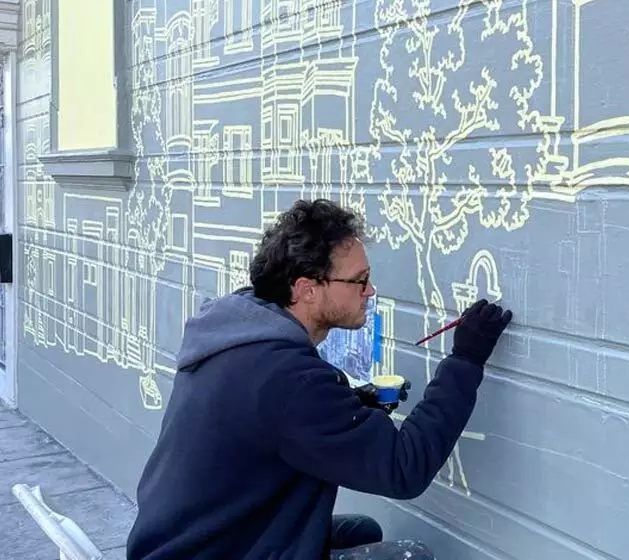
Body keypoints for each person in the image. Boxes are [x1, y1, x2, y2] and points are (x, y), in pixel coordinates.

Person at [125, 198, 513, 559]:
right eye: (359, 281)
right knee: (413, 557)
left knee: (363, 529)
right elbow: (403, 468)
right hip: (219, 551)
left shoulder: (238, 334)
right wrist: (466, 359)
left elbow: (272, 421)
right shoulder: (290, 380)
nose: (370, 291)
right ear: (307, 289)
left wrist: (354, 401)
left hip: (183, 543)